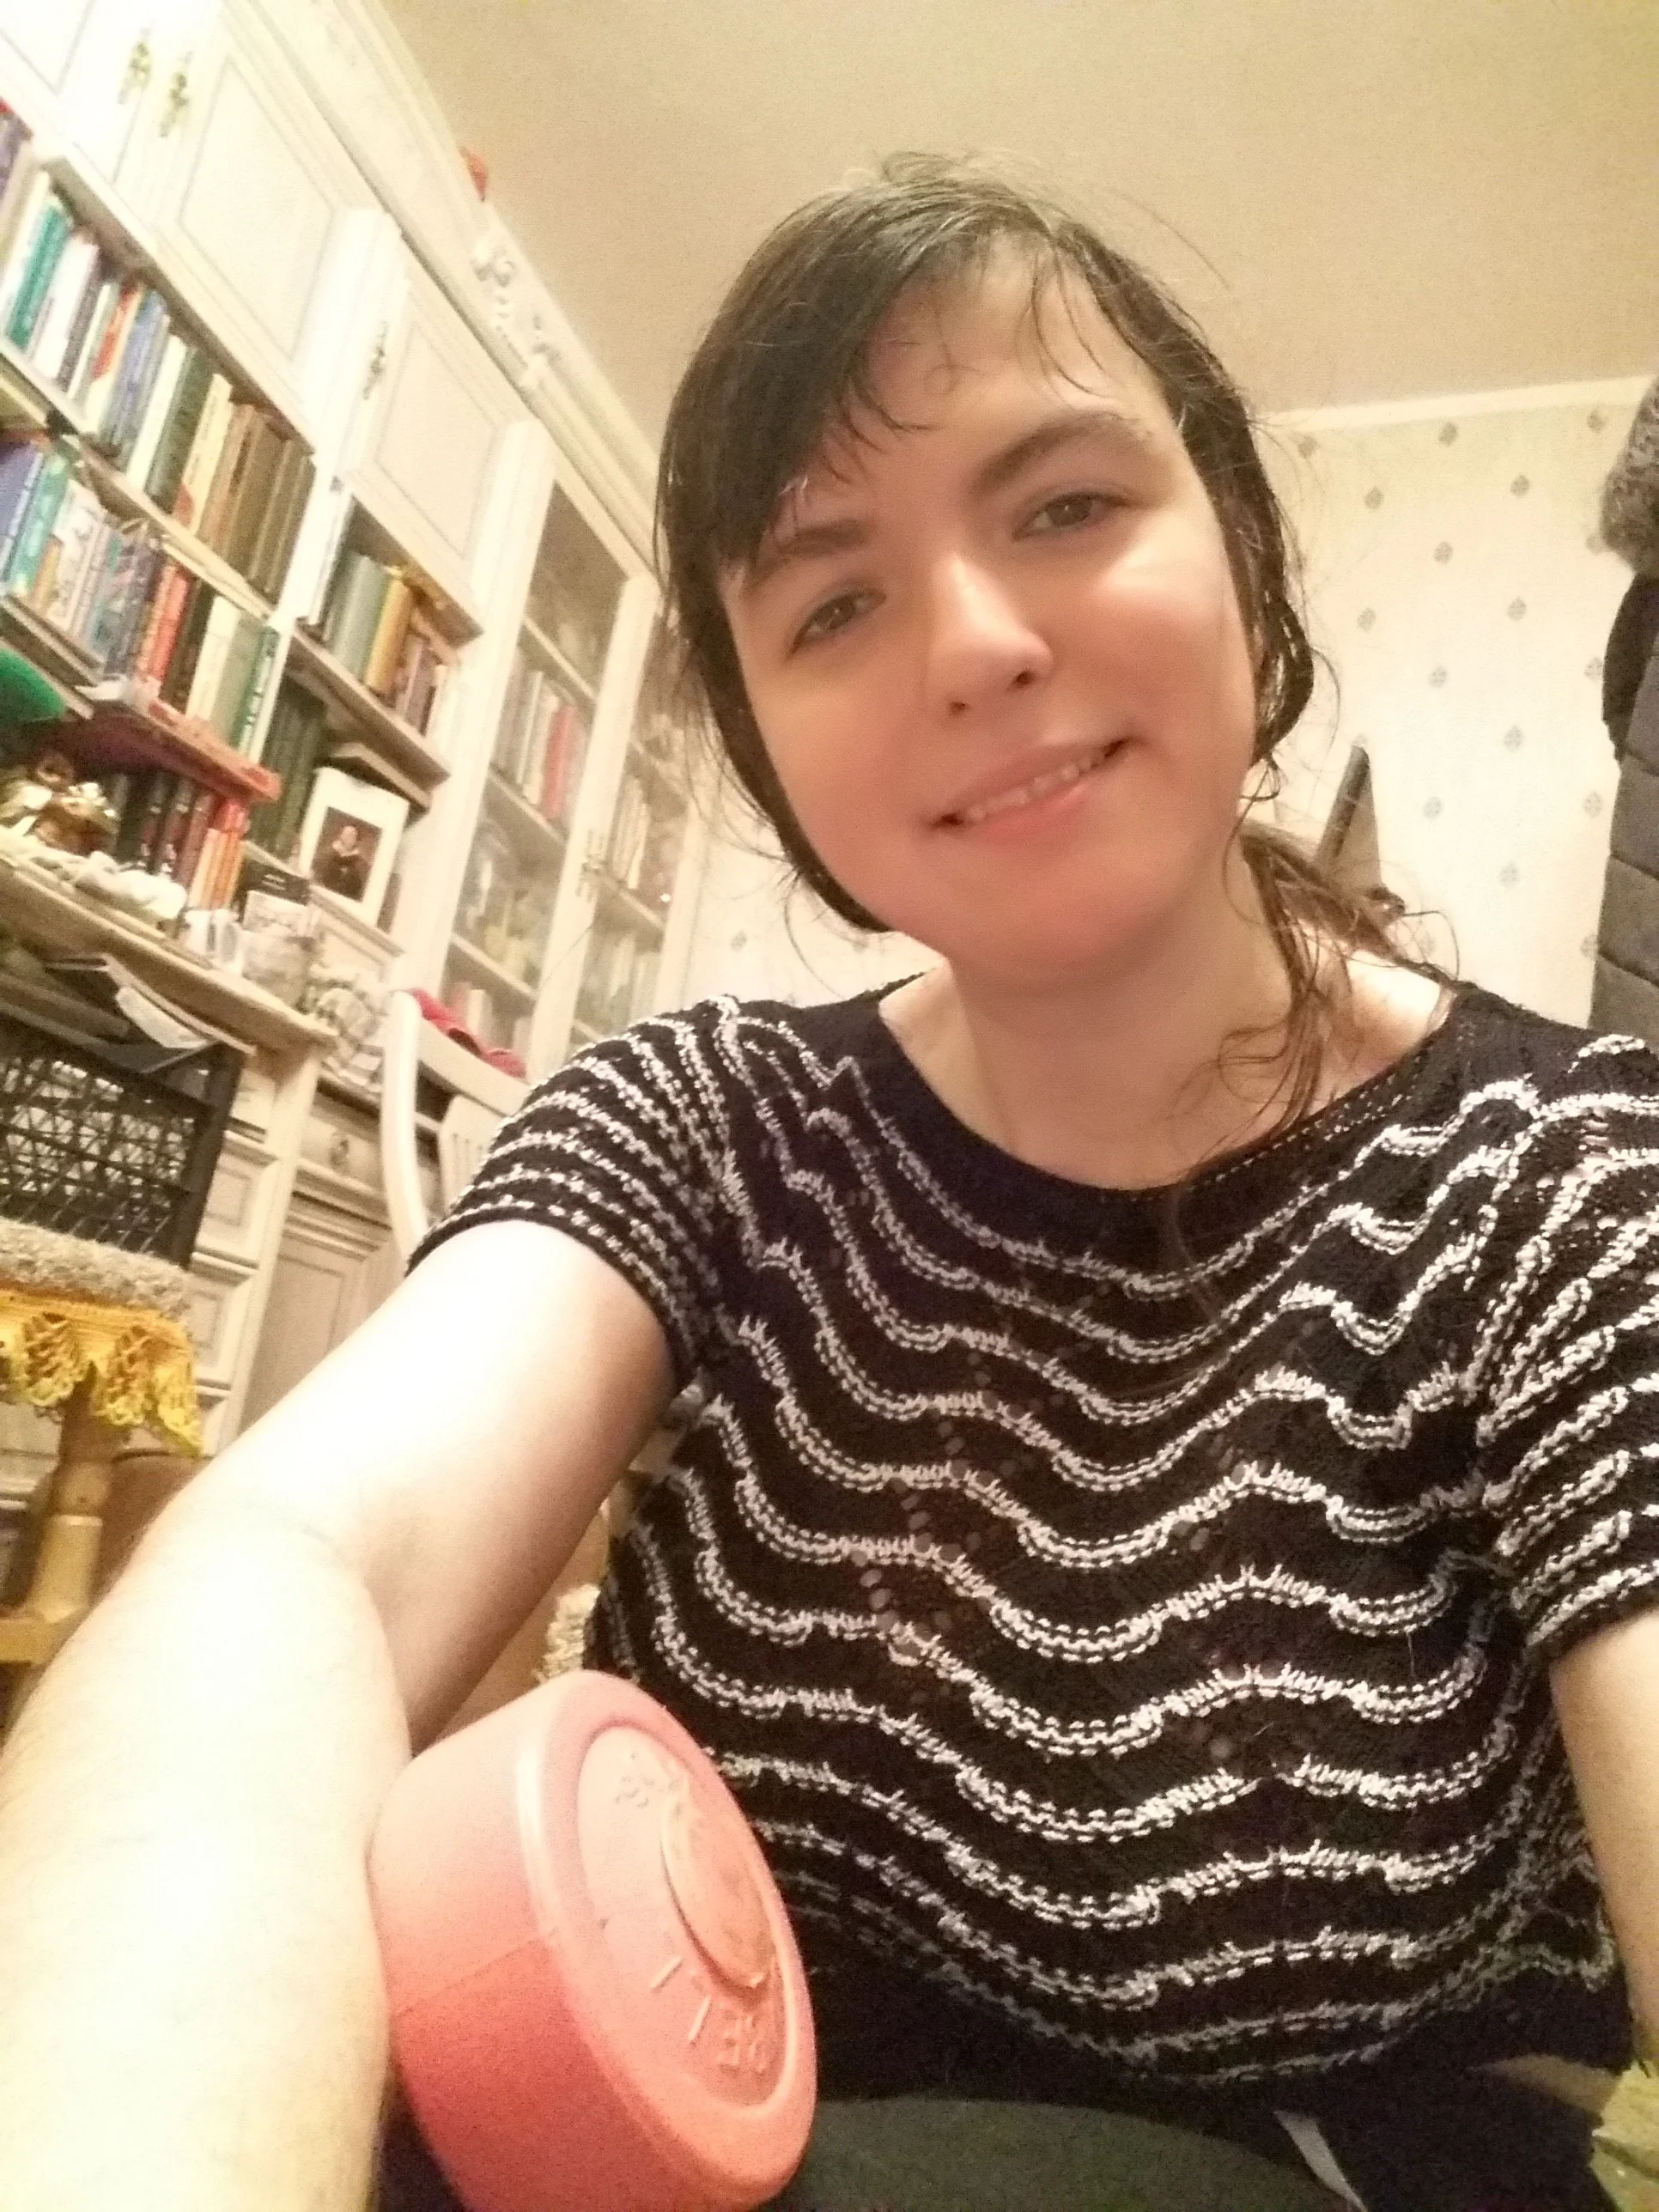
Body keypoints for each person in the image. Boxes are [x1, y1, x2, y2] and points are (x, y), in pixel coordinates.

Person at [2, 155, 1656, 2212]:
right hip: (658, 2120)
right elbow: (303, 1560)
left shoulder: (1574, 1177)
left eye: (1065, 505)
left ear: (1239, 542)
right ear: (774, 747)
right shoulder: (709, 1122)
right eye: (835, 602)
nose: (974, 644)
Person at [314, 817, 372, 902]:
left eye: (351, 836)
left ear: (356, 841)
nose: (346, 838)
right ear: (340, 836)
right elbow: (316, 874)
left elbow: (359, 890)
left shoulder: (361, 864)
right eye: (345, 834)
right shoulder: (327, 854)